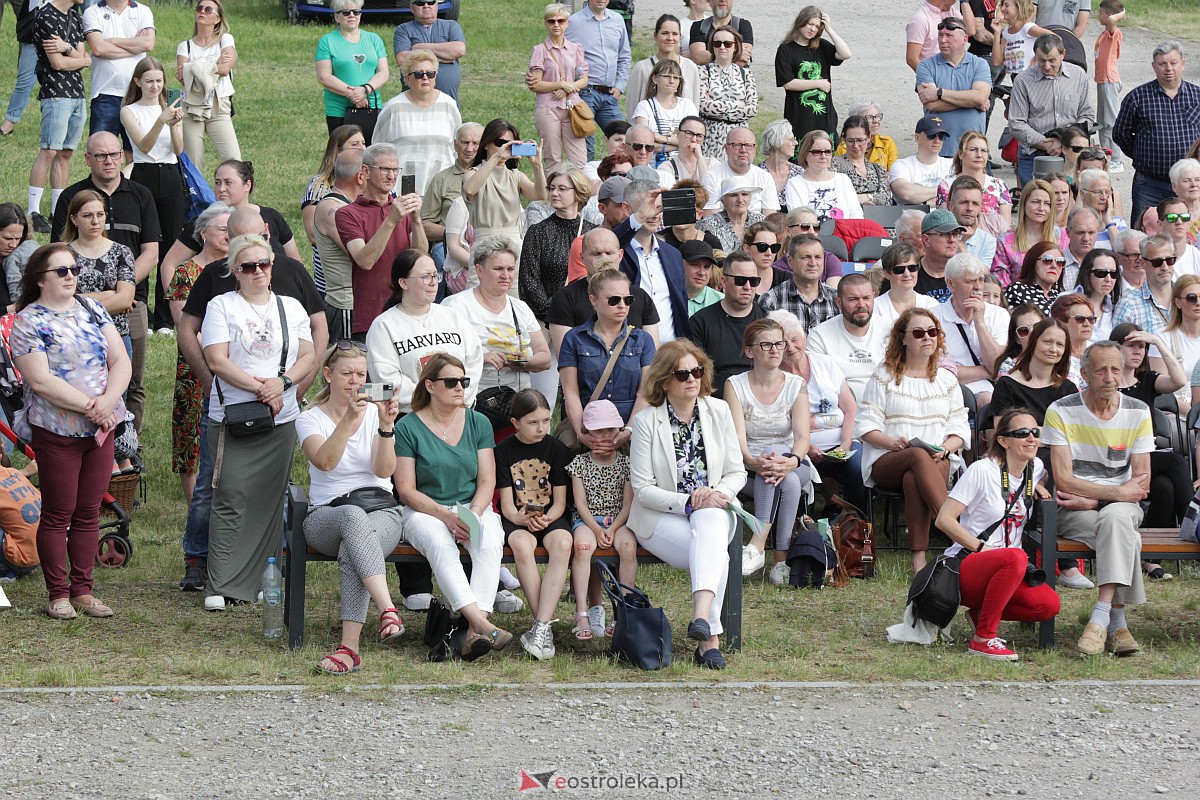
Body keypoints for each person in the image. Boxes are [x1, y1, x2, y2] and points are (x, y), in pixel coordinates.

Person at [10, 243, 130, 620]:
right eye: (62, 271)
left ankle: (82, 590)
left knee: (89, 511)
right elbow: (40, 380)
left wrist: (108, 402)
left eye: (74, 270)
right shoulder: (28, 321)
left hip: (101, 426)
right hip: (58, 429)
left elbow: (120, 360)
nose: (71, 277)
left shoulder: (92, 308)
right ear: (40, 279)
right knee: (59, 512)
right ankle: (57, 593)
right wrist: (92, 407)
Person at [200, 233, 315, 611]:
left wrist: (282, 384)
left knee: (269, 498)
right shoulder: (221, 306)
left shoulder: (292, 307)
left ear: (272, 266)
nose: (257, 272)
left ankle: (265, 578)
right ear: (236, 270)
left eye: (263, 264)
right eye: (248, 266)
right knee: (230, 495)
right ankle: (223, 580)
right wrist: (259, 388)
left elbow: (309, 356)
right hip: (235, 414)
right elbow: (217, 360)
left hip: (280, 417)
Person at [628, 339, 746, 669]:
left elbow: (737, 472)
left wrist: (715, 494)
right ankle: (709, 637)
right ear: (664, 380)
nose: (692, 379)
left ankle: (702, 621)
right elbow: (642, 489)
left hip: (712, 512)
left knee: (710, 522)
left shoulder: (718, 410)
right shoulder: (646, 422)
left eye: (697, 371)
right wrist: (688, 502)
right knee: (715, 552)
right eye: (683, 374)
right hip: (659, 518)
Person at [296, 342, 406, 675]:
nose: (355, 381)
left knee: (352, 548)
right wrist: (348, 419)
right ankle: (388, 608)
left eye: (361, 374)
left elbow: (385, 471)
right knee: (351, 517)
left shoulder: (376, 413)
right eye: (347, 374)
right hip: (327, 515)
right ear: (328, 375)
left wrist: (386, 426)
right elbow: (326, 461)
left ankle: (349, 649)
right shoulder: (309, 419)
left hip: (382, 512)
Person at [393, 353, 511, 660]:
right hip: (425, 509)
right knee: (441, 547)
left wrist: (470, 513)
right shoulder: (408, 426)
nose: (460, 387)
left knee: (488, 543)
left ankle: (472, 634)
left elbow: (487, 480)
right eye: (451, 382)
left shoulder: (478, 421)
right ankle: (482, 624)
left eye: (463, 381)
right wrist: (446, 516)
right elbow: (406, 489)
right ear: (430, 386)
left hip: (473, 504)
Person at [1043, 341, 1154, 656]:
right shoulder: (1061, 411)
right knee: (1120, 529)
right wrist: (1117, 493)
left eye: (1115, 369)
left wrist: (1096, 500)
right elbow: (1063, 479)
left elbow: (1141, 481)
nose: (1109, 377)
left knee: (1117, 519)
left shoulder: (1138, 411)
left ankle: (1100, 617)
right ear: (1084, 374)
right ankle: (1117, 623)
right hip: (1073, 509)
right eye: (1101, 370)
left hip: (1104, 506)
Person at [50, 132, 159, 435]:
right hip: (76, 323)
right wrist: (110, 295)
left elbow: (150, 253)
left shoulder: (140, 195)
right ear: (88, 159)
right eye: (100, 155)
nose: (108, 160)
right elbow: (56, 267)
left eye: (114, 154)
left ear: (123, 156)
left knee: (131, 383)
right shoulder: (71, 196)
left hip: (131, 308)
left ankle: (127, 452)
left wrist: (123, 288)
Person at [934, 407, 1061, 661]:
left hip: (1007, 570)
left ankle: (981, 613)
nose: (1031, 438)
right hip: (968, 564)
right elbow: (943, 519)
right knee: (1014, 556)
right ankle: (983, 639)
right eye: (1022, 433)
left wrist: (1038, 484)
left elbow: (1040, 475)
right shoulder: (982, 470)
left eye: (1035, 432)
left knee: (1048, 604)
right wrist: (981, 548)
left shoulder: (1035, 467)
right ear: (1003, 441)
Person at [857, 307, 969, 572]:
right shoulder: (884, 375)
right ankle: (957, 531)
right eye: (918, 333)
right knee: (916, 457)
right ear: (903, 338)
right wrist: (892, 442)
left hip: (938, 457)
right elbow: (866, 426)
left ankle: (919, 558)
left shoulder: (947, 380)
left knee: (914, 476)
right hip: (889, 458)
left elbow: (959, 429)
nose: (927, 338)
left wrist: (944, 449)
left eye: (932, 332)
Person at [726, 318, 812, 584]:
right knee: (790, 483)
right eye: (767, 344)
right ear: (749, 351)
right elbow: (737, 437)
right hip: (750, 465)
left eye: (779, 343)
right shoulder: (735, 385)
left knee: (781, 457)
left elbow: (802, 437)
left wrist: (792, 461)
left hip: (795, 462)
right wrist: (753, 461)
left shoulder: (796, 384)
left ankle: (757, 543)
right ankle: (781, 563)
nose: (775, 349)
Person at [495, 389, 573, 659]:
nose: (541, 428)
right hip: (518, 518)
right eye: (533, 422)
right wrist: (519, 518)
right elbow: (506, 504)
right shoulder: (503, 451)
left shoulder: (556, 448)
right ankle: (543, 626)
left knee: (563, 544)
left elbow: (561, 502)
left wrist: (548, 517)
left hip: (551, 515)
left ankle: (540, 625)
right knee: (519, 543)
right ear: (516, 423)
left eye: (545, 420)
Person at [445, 236, 552, 430]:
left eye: (510, 269)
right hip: (472, 400)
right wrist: (481, 357)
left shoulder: (520, 308)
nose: (506, 275)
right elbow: (440, 358)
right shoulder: (455, 306)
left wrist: (523, 363)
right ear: (479, 271)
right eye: (498, 269)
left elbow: (545, 358)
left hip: (518, 403)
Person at [365, 249, 482, 416]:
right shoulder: (384, 326)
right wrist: (434, 401)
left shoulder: (452, 316)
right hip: (411, 419)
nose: (434, 282)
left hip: (458, 413)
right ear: (403, 283)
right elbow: (386, 380)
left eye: (436, 275)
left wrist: (456, 398)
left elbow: (474, 362)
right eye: (426, 276)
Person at [168, 202, 229, 512]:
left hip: (233, 363)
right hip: (196, 365)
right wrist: (216, 352)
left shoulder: (238, 268)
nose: (229, 234)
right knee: (191, 432)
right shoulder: (186, 272)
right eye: (222, 229)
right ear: (204, 233)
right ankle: (196, 506)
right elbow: (184, 324)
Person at [773, 308, 864, 510]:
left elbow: (850, 409)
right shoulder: (774, 376)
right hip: (798, 448)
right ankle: (804, 526)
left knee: (859, 468)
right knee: (794, 472)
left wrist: (846, 444)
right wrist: (804, 448)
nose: (790, 347)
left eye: (795, 339)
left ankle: (854, 523)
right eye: (782, 343)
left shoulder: (825, 364)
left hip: (840, 444)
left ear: (804, 337)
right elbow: (777, 424)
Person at [120, 55, 186, 334]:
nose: (155, 86)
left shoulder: (170, 107)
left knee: (171, 245)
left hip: (170, 175)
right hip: (144, 175)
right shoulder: (129, 110)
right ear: (138, 81)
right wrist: (161, 120)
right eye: (149, 81)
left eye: (159, 81)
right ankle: (140, 309)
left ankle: (165, 317)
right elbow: (144, 146)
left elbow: (179, 150)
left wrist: (173, 125)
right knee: (144, 244)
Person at [335, 143, 427, 339]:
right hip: (371, 315)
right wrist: (391, 219)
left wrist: (417, 219)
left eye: (395, 170)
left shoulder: (402, 208)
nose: (392, 176)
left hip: (408, 310)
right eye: (385, 169)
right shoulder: (347, 214)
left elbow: (421, 256)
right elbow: (364, 260)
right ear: (366, 171)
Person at [559, 268, 655, 450]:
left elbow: (645, 393)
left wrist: (628, 431)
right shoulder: (574, 338)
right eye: (613, 300)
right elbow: (571, 393)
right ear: (593, 300)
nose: (622, 305)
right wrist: (582, 434)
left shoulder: (643, 340)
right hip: (590, 432)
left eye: (628, 300)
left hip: (633, 434)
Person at [1109, 323, 1189, 540]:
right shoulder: (1106, 383)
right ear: (1115, 348)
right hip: (1115, 457)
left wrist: (1159, 344)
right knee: (1175, 461)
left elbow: (1179, 381)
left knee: (1165, 487)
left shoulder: (1147, 380)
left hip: (1145, 459)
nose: (1138, 351)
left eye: (1142, 346)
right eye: (1131, 345)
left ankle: (1151, 559)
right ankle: (1193, 523)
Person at [567, 399, 637, 640]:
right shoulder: (579, 464)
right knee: (582, 548)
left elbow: (628, 503)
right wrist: (597, 530)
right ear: (587, 431)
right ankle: (582, 613)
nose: (606, 435)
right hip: (588, 521)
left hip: (619, 520)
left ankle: (625, 612)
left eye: (611, 429)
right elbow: (580, 504)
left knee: (628, 548)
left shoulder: (627, 465)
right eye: (599, 429)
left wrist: (613, 527)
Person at [164, 159, 304, 276]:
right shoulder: (206, 222)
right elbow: (169, 264)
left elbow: (295, 261)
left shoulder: (271, 216)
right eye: (217, 182)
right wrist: (176, 304)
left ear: (247, 185)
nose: (221, 188)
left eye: (228, 182)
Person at [1114, 40, 1200, 227]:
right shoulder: (1137, 97)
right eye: (1162, 64)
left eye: (1173, 63)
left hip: (1189, 186)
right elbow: (1120, 133)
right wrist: (1142, 154)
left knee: (1188, 231)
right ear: (1154, 67)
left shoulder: (1197, 96)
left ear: (1183, 65)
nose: (1168, 68)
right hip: (1150, 184)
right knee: (1144, 232)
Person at [27, 0, 91, 234]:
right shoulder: (45, 15)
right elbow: (58, 63)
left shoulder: (75, 15)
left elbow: (82, 56)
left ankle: (57, 210)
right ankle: (33, 212)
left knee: (65, 153)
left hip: (76, 93)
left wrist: (67, 48)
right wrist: (76, 56)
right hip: (55, 92)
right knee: (49, 150)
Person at [547, 228, 661, 355]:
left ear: (620, 255)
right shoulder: (565, 298)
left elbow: (652, 357)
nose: (604, 259)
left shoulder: (640, 297)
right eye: (596, 253)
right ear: (582, 257)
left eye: (609, 253)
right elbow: (566, 358)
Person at [1008, 32, 1095, 187]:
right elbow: (1016, 124)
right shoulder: (1023, 81)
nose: (1047, 66)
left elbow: (1087, 115)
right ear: (1035, 57)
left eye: (1052, 60)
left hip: (1071, 155)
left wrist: (1064, 141)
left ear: (1063, 54)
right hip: (1034, 155)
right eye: (1042, 61)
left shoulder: (1078, 75)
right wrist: (1047, 144)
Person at [374, 49, 461, 195]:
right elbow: (378, 148)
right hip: (403, 187)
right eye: (419, 74)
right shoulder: (393, 107)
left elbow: (457, 145)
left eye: (430, 73)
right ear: (407, 79)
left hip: (441, 186)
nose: (425, 78)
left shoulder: (449, 105)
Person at [60, 190, 135, 356]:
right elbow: (63, 299)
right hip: (75, 337)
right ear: (74, 219)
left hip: (117, 336)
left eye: (100, 214)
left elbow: (125, 299)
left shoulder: (121, 252)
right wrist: (110, 294)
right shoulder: (63, 254)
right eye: (87, 215)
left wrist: (81, 306)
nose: (95, 221)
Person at [615, 179, 690, 342]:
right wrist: (638, 218)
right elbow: (610, 243)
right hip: (630, 350)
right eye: (646, 207)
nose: (654, 213)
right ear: (626, 209)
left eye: (658, 207)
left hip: (670, 353)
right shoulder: (616, 250)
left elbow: (681, 304)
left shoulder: (673, 255)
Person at [462, 119, 548, 259]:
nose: (504, 148)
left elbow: (541, 194)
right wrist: (496, 157)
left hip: (514, 246)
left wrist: (537, 165)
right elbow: (470, 189)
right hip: (485, 246)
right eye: (500, 143)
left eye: (510, 144)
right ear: (485, 144)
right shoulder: (473, 173)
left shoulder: (516, 176)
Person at [519, 168, 595, 322]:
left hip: (588, 319)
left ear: (578, 193)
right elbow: (529, 282)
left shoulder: (593, 232)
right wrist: (555, 314)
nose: (554, 193)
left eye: (562, 189)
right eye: (552, 188)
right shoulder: (537, 232)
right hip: (548, 320)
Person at [302, 125, 366, 302]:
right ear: (338, 152)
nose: (362, 148)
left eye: (363, 143)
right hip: (330, 282)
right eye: (355, 144)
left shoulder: (369, 184)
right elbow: (312, 233)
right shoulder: (319, 186)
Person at [81, 0, 154, 153]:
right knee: (101, 152)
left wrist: (113, 41)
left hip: (138, 94)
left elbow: (148, 44)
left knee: (136, 154)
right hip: (105, 94)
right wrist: (135, 47)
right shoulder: (92, 12)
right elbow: (99, 48)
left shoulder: (143, 11)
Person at [689, 251, 767, 395]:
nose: (748, 287)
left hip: (761, 398)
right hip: (717, 403)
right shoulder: (700, 322)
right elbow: (695, 374)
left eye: (754, 281)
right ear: (724, 282)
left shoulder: (767, 321)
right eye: (740, 280)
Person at [916, 16, 991, 158]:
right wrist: (972, 102)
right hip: (939, 151)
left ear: (965, 39)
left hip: (974, 152)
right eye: (940, 35)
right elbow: (932, 104)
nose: (943, 40)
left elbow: (980, 97)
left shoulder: (979, 64)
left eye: (949, 35)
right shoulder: (926, 66)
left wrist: (939, 92)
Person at [565, 0, 631, 162]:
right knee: (586, 143)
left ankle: (620, 175)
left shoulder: (617, 20)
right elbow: (562, 53)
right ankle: (584, 182)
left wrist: (620, 86)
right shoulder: (574, 22)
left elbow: (624, 56)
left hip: (609, 94)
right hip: (584, 93)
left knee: (625, 138)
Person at [526, 5, 590, 173]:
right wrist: (560, 84)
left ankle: (578, 195)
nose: (556, 25)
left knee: (579, 158)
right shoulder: (539, 50)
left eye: (560, 21)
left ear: (567, 23)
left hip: (573, 107)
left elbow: (583, 79)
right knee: (552, 158)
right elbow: (536, 85)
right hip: (548, 108)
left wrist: (568, 88)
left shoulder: (576, 49)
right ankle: (551, 195)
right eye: (551, 21)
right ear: (546, 24)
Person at [175, 0, 239, 165]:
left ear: (217, 19)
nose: (202, 12)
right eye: (199, 8)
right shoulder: (185, 46)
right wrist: (214, 65)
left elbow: (225, 69)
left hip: (219, 105)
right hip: (191, 106)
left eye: (208, 10)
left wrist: (194, 68)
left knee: (233, 159)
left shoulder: (225, 39)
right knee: (193, 162)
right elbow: (182, 77)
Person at [314, 0, 389, 135]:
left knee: (371, 152)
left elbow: (383, 72)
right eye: (346, 12)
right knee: (343, 153)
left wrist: (365, 90)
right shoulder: (327, 41)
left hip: (371, 106)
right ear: (337, 17)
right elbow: (324, 77)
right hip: (338, 109)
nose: (352, 15)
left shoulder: (374, 39)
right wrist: (354, 95)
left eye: (356, 12)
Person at [775, 7, 851, 140]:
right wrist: (818, 83)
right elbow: (788, 83)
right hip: (799, 116)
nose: (813, 29)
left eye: (817, 26)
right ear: (801, 22)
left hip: (824, 116)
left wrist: (829, 29)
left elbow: (845, 54)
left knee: (825, 155)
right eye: (810, 24)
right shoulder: (785, 50)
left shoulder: (821, 46)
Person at [807, 273, 887, 399]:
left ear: (874, 297)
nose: (861, 305)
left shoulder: (891, 330)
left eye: (866, 298)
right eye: (853, 299)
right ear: (839, 302)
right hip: (841, 409)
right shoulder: (819, 336)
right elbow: (819, 386)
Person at [421, 121, 481, 261]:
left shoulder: (492, 177)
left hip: (485, 243)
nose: (469, 148)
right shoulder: (441, 179)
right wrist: (455, 233)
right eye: (465, 142)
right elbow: (425, 226)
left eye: (475, 143)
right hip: (447, 245)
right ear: (455, 144)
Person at [992, 178, 1067, 287]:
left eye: (1046, 203)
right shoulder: (1005, 241)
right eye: (1035, 202)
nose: (1041, 208)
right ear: (1024, 204)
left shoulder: (1062, 237)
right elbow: (1001, 282)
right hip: (1017, 300)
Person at [696, 27, 757, 160]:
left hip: (739, 139)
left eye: (727, 44)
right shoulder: (702, 72)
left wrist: (717, 106)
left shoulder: (745, 73)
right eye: (717, 43)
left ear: (735, 47)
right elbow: (702, 105)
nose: (722, 47)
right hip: (711, 137)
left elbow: (752, 109)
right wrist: (737, 105)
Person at [936, 132, 1012, 238]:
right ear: (961, 154)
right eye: (973, 150)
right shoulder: (947, 185)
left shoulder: (999, 186)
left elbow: (1006, 228)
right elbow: (944, 222)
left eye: (983, 151)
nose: (979, 155)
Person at [625, 14, 700, 118]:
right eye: (665, 33)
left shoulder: (690, 67)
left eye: (675, 34)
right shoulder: (642, 68)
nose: (670, 38)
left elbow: (695, 104)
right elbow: (632, 108)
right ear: (655, 35)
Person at [392, 0, 465, 104]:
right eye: (420, 3)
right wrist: (444, 57)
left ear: (437, 6)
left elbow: (459, 49)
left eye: (431, 2)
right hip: (414, 100)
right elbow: (402, 59)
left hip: (448, 99)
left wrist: (419, 47)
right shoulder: (403, 29)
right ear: (412, 8)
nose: (426, 6)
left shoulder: (451, 25)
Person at [760, 234, 837, 333]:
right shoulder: (771, 301)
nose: (813, 263)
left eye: (818, 257)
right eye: (806, 257)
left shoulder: (837, 299)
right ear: (790, 261)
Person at [783, 130, 862, 223]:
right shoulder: (795, 184)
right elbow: (799, 220)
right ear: (805, 155)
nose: (823, 156)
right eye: (817, 152)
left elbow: (856, 215)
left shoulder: (843, 180)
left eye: (828, 152)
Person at [700, 127, 777, 214]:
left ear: (755, 149)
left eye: (748, 146)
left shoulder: (765, 177)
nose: (743, 150)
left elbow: (770, 219)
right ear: (726, 148)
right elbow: (710, 219)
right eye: (737, 145)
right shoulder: (712, 177)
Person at [1112, 234, 1176, 338]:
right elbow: (1119, 348)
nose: (1165, 267)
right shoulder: (1128, 305)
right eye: (1157, 262)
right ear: (1142, 263)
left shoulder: (1190, 297)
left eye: (1170, 260)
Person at [0, 0, 44, 139]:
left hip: (59, 33)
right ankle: (8, 124)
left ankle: (55, 122)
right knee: (24, 81)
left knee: (57, 82)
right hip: (34, 31)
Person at [889, 115, 954, 206]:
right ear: (917, 137)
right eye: (931, 136)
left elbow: (960, 196)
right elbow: (905, 194)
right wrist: (945, 190)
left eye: (941, 136)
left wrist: (923, 202)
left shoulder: (951, 165)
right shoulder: (902, 165)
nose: (937, 140)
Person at [1094, 2, 1127, 172]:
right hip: (1101, 81)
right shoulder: (1104, 33)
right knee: (1102, 121)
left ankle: (1117, 159)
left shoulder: (1113, 33)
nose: (1098, 15)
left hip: (1109, 80)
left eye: (1100, 12)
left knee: (1112, 122)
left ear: (1108, 15)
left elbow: (1114, 19)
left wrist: (1121, 13)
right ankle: (1105, 156)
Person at [874, 242, 938, 329]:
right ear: (887, 273)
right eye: (899, 269)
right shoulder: (876, 307)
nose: (907, 274)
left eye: (912, 268)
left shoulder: (930, 304)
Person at [833, 116, 893, 208]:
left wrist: (866, 197)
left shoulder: (877, 169)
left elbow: (886, 195)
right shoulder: (834, 165)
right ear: (844, 139)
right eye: (850, 141)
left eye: (860, 140)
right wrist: (857, 200)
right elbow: (832, 195)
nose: (856, 145)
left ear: (868, 138)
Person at [1139, 160, 1200, 243]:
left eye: (1197, 180)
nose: (1193, 184)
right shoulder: (1158, 214)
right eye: (1186, 180)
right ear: (1174, 187)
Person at [915, 208, 967, 303]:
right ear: (926, 240)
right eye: (945, 234)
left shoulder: (964, 273)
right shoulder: (909, 273)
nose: (952, 240)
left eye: (955, 234)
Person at [699, 180, 764, 253]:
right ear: (723, 200)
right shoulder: (708, 224)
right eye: (734, 195)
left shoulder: (761, 221)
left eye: (744, 194)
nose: (740, 200)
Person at [832, 98, 898, 170]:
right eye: (869, 118)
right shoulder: (843, 148)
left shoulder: (887, 143)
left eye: (877, 116)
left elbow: (893, 174)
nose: (876, 121)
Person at [946, 176, 998, 266]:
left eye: (975, 204)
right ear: (951, 206)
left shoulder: (988, 241)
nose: (970, 208)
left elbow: (977, 277)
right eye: (964, 202)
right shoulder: (936, 235)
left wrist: (962, 244)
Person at [991, 0, 1050, 79]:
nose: (1002, 9)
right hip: (1015, 76)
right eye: (1002, 6)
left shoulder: (1028, 27)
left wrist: (1037, 58)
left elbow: (1054, 37)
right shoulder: (1006, 33)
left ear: (1018, 8)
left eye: (1006, 5)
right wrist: (997, 33)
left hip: (1031, 75)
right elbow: (996, 62)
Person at [1003, 240, 1066, 313]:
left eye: (1060, 261)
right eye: (1047, 260)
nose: (1054, 266)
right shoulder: (1018, 289)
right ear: (1033, 263)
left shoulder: (1062, 297)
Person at [1049, 292, 1096, 387]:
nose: (1087, 324)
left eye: (1091, 319)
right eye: (1080, 319)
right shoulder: (1052, 355)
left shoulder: (1099, 351)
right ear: (1061, 322)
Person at [754, 120, 802, 212]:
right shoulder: (757, 174)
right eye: (791, 139)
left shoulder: (800, 173)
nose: (796, 143)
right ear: (776, 141)